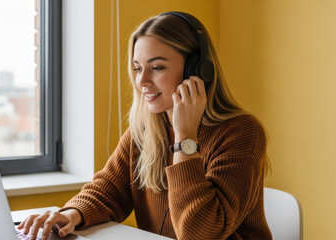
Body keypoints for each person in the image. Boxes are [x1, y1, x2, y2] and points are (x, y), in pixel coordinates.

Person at [18, 11, 272, 240]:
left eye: (157, 67)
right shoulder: (146, 130)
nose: (142, 81)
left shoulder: (241, 132)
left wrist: (184, 138)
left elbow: (200, 233)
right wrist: (73, 214)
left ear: (197, 70)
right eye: (138, 68)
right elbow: (107, 190)